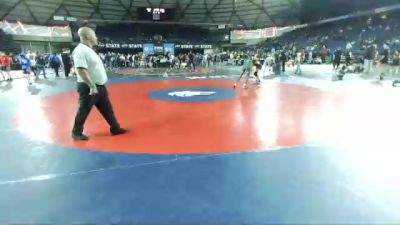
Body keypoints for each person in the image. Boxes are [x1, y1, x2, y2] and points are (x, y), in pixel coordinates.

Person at [71, 27, 128, 141]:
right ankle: (76, 132)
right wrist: (92, 86)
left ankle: (115, 128)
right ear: (87, 37)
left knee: (107, 109)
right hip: (89, 87)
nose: (96, 38)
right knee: (84, 109)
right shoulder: (80, 50)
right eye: (94, 35)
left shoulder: (89, 50)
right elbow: (81, 69)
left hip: (99, 86)